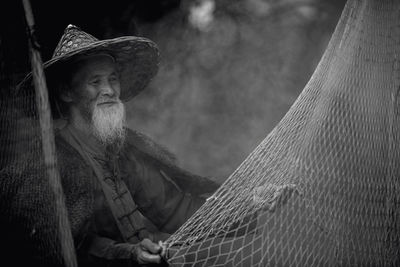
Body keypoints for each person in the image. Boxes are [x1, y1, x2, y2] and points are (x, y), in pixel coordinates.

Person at [15, 24, 220, 267]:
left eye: (113, 79)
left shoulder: (123, 148)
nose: (110, 90)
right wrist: (130, 253)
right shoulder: (52, 160)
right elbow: (71, 244)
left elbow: (175, 209)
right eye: (95, 81)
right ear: (67, 92)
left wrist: (246, 206)